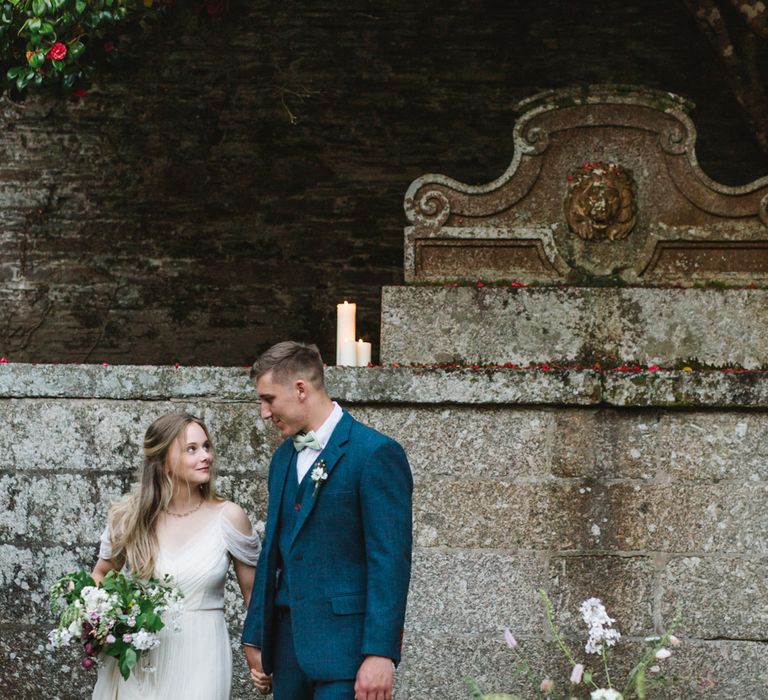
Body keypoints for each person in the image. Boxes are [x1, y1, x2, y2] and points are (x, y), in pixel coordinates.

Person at [242, 341, 413, 700]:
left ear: (301, 389)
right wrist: (256, 634)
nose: (263, 411)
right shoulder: (281, 460)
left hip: (346, 657)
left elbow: (389, 563)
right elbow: (272, 552)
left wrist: (380, 654)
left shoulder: (374, 454)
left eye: (269, 399)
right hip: (287, 656)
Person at [90, 412, 260, 700]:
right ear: (164, 461)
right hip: (143, 655)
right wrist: (100, 621)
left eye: (206, 446)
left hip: (203, 653)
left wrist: (259, 653)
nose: (205, 456)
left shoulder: (228, 517)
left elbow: (254, 596)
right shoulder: (130, 518)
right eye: (191, 449)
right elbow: (101, 574)